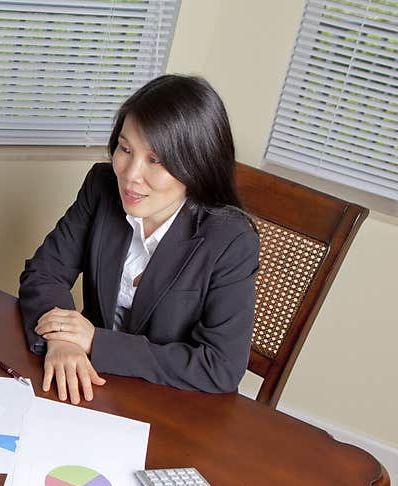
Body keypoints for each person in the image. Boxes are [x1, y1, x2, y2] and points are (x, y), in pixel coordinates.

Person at [18, 74, 259, 404]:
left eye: (155, 160)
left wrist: (95, 342)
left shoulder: (231, 240)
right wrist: (63, 340)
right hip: (89, 387)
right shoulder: (102, 187)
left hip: (169, 405)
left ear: (197, 164)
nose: (130, 174)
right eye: (125, 149)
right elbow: (44, 273)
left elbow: (220, 367)